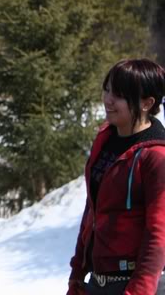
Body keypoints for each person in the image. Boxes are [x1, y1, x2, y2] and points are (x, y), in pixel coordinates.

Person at [68, 59, 165, 295]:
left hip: (136, 285)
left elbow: (159, 234)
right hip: (97, 282)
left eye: (119, 95)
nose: (108, 100)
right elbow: (92, 211)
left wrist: (138, 291)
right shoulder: (106, 140)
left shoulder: (157, 157)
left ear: (146, 103)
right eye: (107, 89)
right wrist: (77, 277)